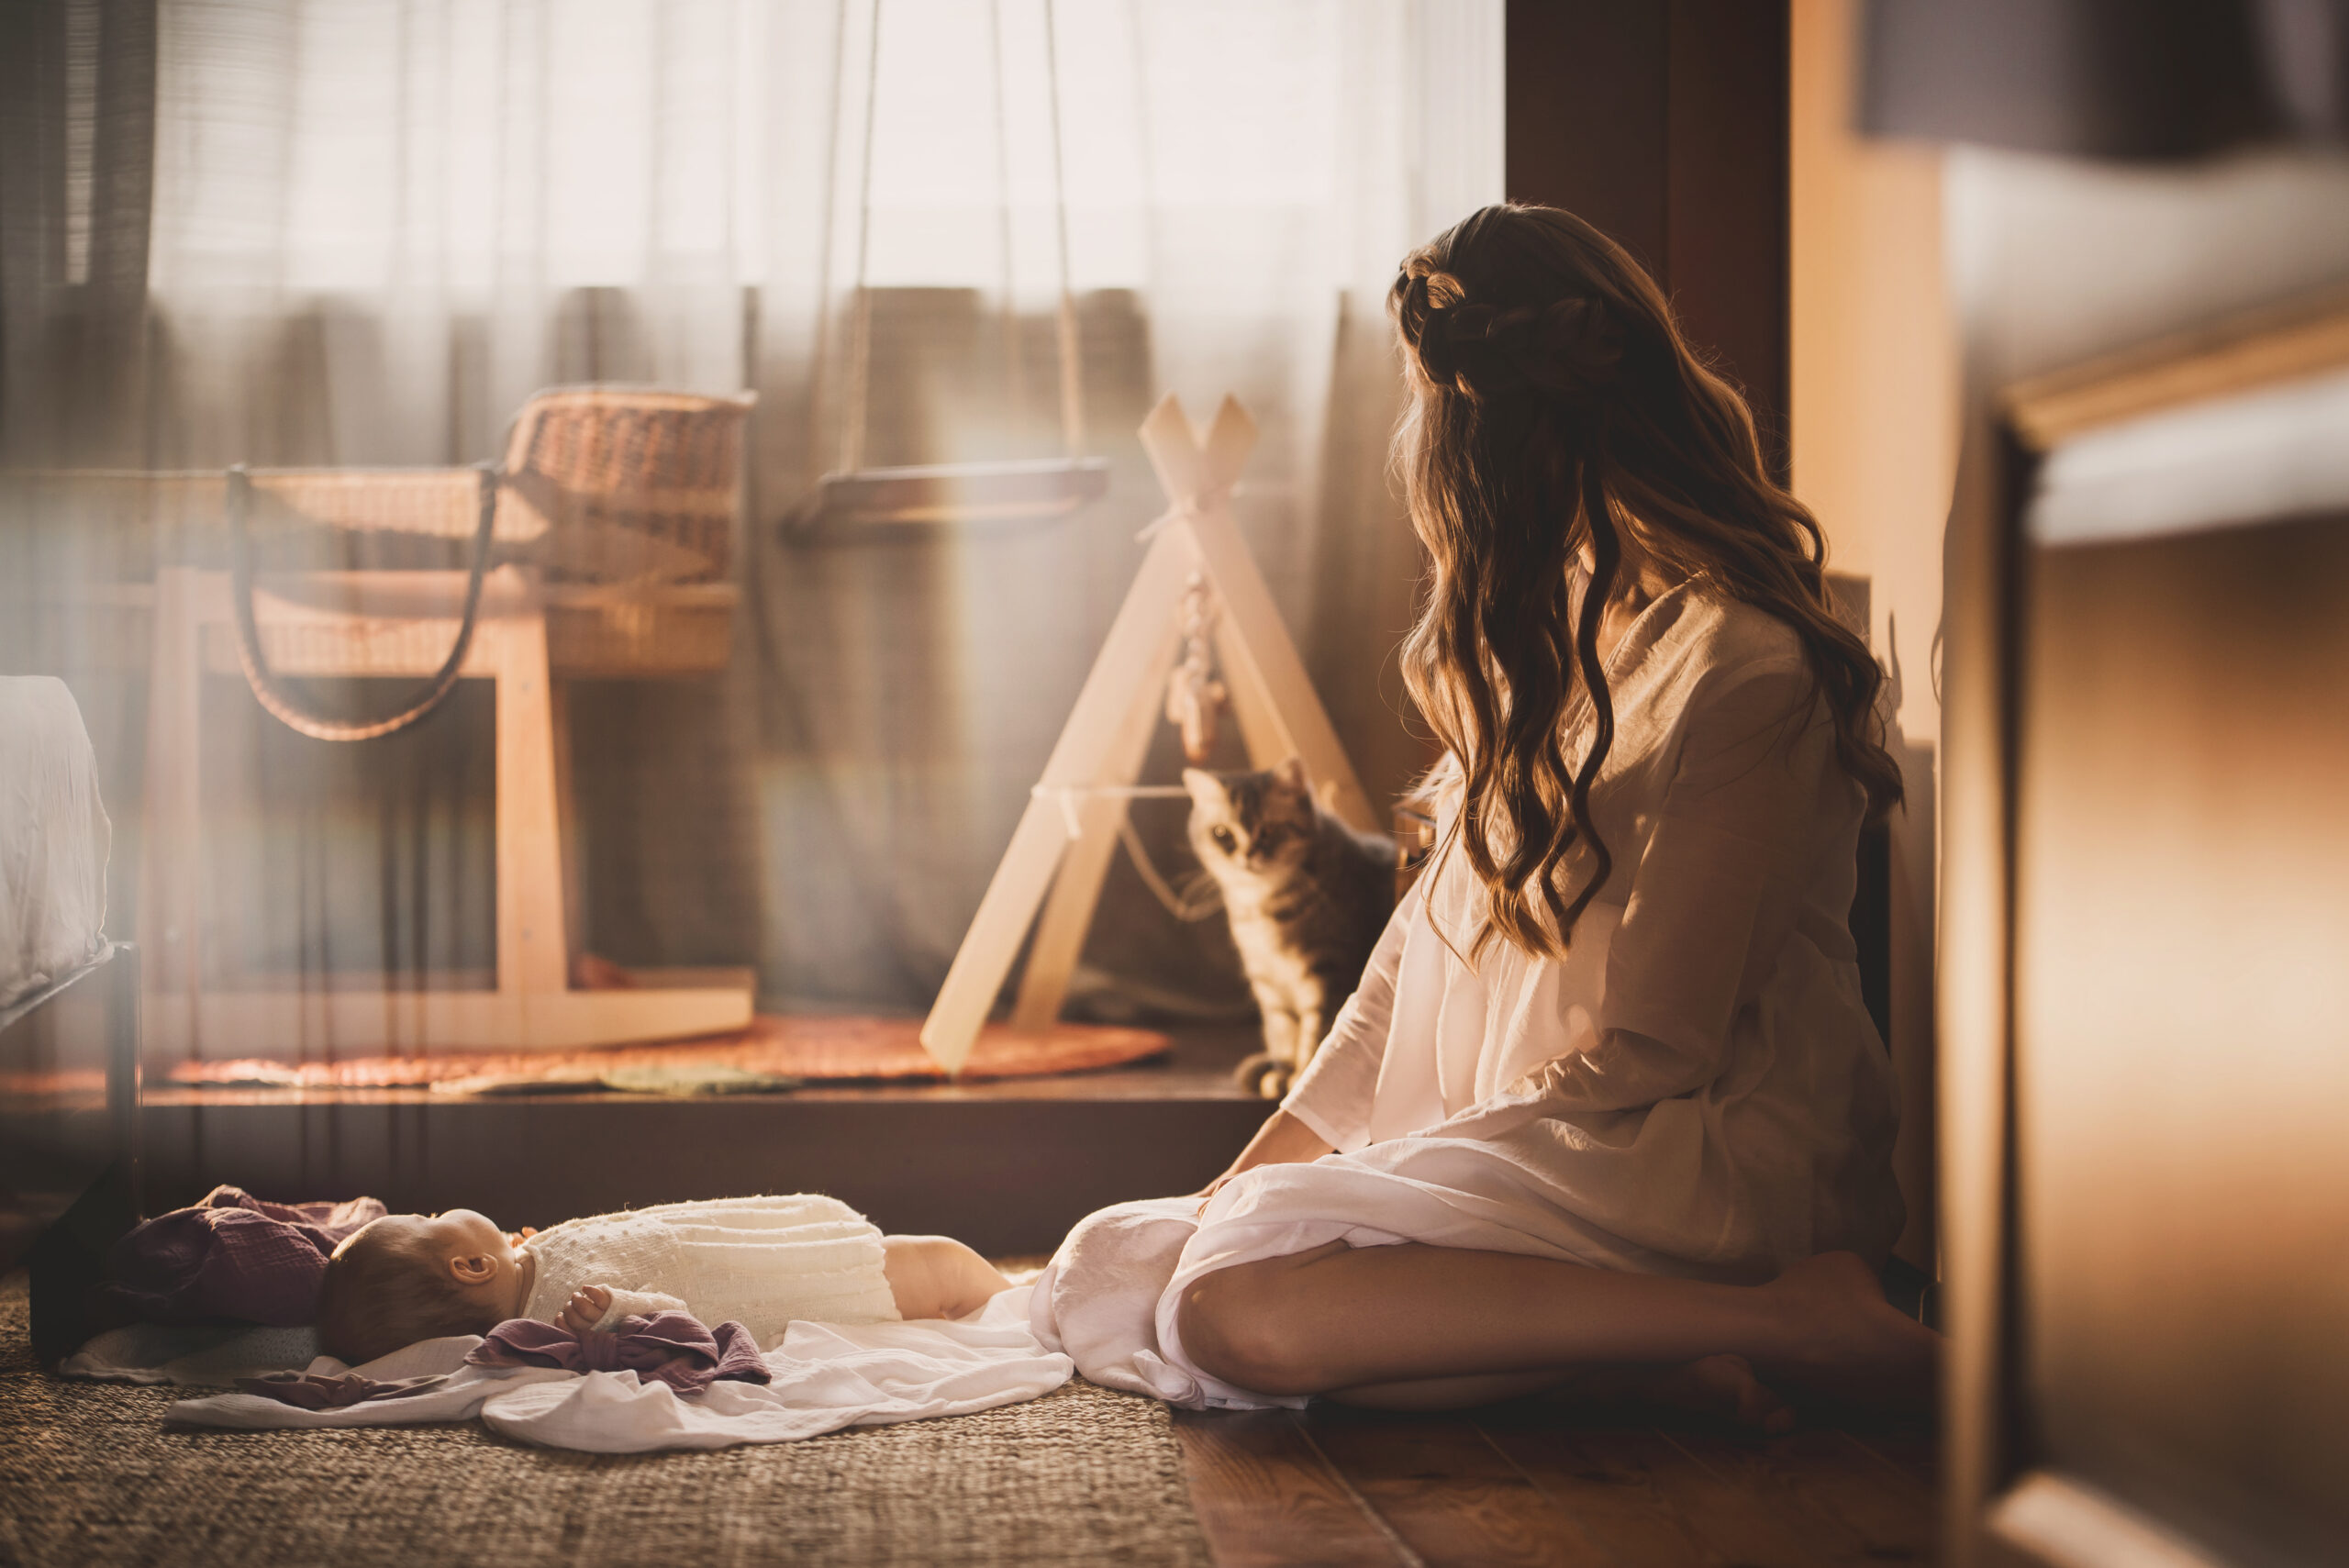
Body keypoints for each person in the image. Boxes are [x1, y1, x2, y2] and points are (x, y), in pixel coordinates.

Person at [1042, 204, 1939, 1429]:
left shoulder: (1748, 671)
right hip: (1538, 1142)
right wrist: (1232, 1194)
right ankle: (1643, 1365)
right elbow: (1392, 990)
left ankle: (1784, 1313)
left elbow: (1657, 1052)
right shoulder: (1542, 663)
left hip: (1684, 1158)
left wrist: (1398, 1176)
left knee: (1229, 1312)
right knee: (1109, 1263)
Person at [317, 1195, 1008, 1366]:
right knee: (935, 1263)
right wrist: (615, 1311)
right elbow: (667, 1315)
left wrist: (528, 1250)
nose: (445, 1208)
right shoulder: (569, 1307)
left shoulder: (532, 1264)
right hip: (791, 1279)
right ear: (471, 1266)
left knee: (928, 1260)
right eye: (436, 1217)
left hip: (744, 1239)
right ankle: (1020, 1306)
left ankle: (1008, 1292)